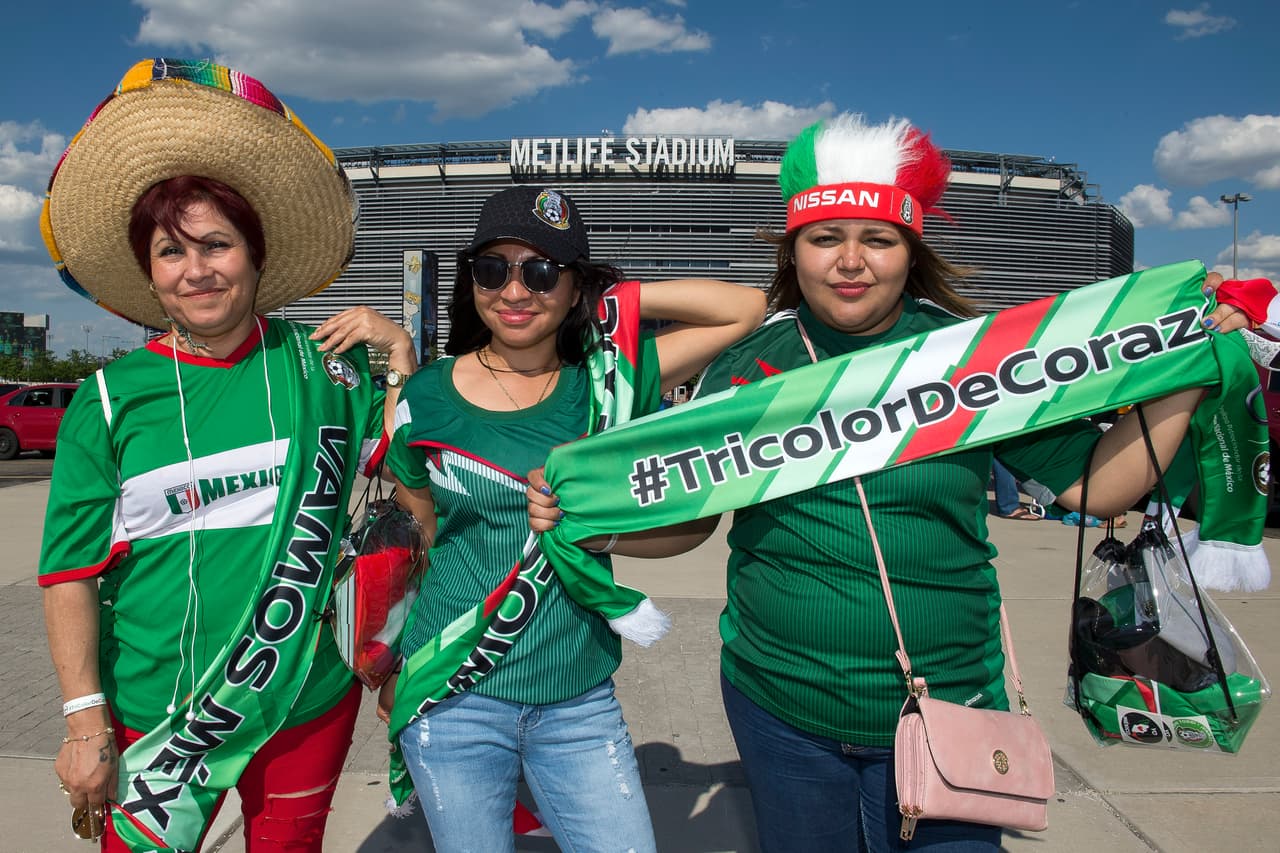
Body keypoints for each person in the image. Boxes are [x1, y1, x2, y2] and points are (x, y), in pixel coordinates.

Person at [597, 114, 1251, 852]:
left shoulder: (974, 355)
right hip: (780, 705)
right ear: (794, 249)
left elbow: (1097, 490)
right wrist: (597, 522)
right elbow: (694, 520)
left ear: (911, 250)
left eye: (876, 239)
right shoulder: (747, 364)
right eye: (824, 238)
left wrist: (1186, 373)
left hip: (950, 703)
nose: (850, 262)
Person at [38, 59, 416, 852]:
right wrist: (84, 721)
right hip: (157, 715)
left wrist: (403, 356)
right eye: (171, 252)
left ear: (255, 254)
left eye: (217, 244)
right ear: (149, 271)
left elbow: (409, 478)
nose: (197, 269)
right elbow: (69, 574)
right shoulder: (108, 400)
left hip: (304, 698)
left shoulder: (327, 367)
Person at [380, 184, 766, 852]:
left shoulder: (608, 379)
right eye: (493, 268)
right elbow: (420, 537)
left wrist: (616, 298)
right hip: (453, 692)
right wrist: (392, 666)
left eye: (541, 270)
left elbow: (745, 308)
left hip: (577, 700)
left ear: (573, 287)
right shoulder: (427, 396)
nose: (514, 290)